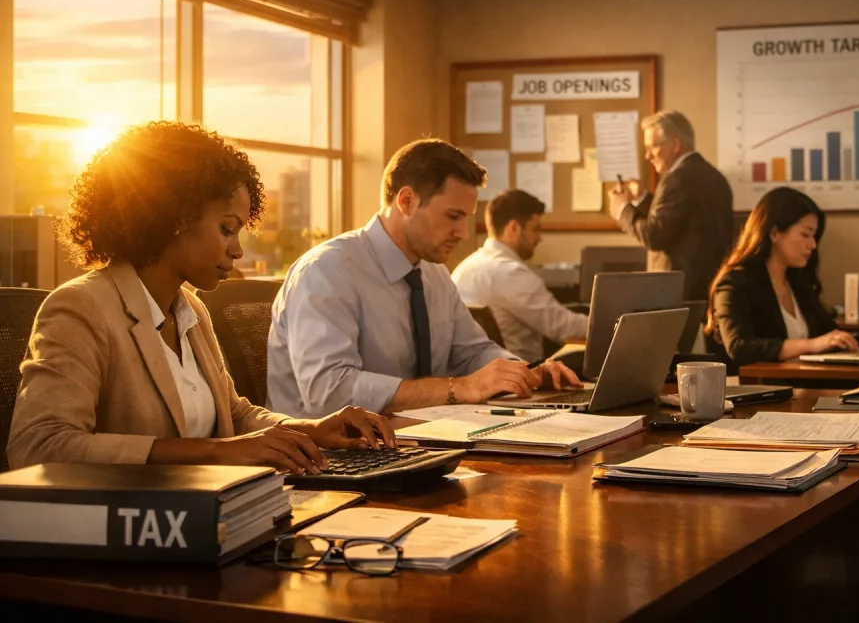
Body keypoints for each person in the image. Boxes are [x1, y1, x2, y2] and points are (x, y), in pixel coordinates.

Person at [7, 122, 395, 475]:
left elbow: (234, 415)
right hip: (134, 532)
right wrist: (216, 452)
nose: (238, 250)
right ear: (174, 216)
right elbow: (39, 446)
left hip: (211, 518)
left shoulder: (190, 307)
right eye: (227, 229)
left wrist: (311, 428)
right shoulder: (81, 308)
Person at [266, 139, 581, 418]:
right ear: (406, 201)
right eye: (453, 216)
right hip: (328, 462)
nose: (463, 234)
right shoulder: (326, 271)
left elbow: (471, 351)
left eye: (467, 219)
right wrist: (457, 388)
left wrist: (523, 372)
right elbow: (330, 394)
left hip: (414, 443)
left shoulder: (432, 272)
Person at [706, 187, 859, 368]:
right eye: (805, 235)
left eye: (814, 236)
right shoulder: (735, 283)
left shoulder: (797, 281)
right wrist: (811, 345)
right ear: (774, 233)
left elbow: (828, 334)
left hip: (804, 383)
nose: (812, 245)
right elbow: (739, 347)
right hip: (759, 388)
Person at [608, 110, 733, 302]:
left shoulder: (676, 180)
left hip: (678, 294)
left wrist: (622, 209)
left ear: (675, 144)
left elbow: (655, 235)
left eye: (652, 147)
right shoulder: (714, 176)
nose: (647, 156)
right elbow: (677, 220)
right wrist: (641, 199)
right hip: (708, 290)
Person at [452, 189, 588, 363]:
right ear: (514, 228)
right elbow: (563, 327)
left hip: (475, 376)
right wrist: (616, 325)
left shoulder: (466, 267)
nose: (539, 238)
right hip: (524, 377)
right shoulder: (510, 273)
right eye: (535, 229)